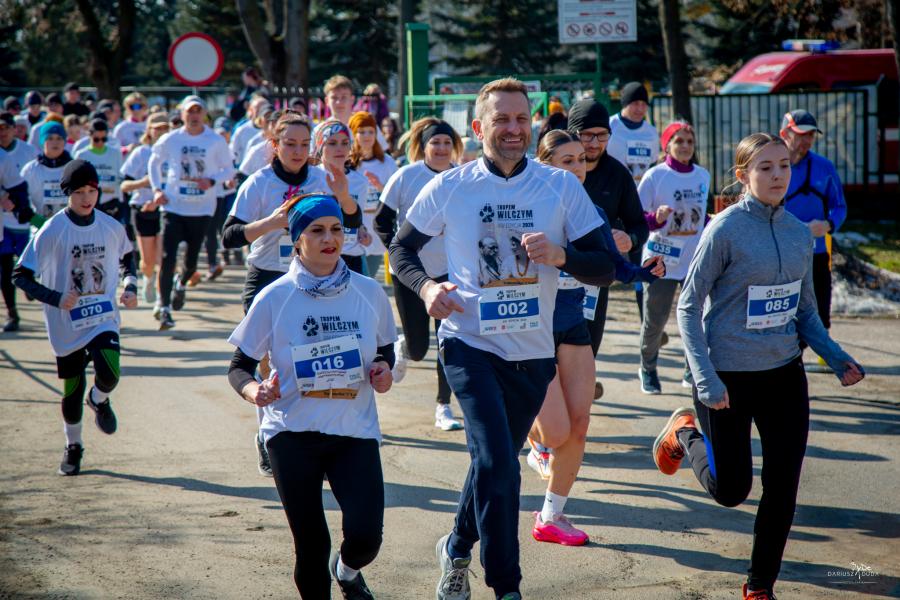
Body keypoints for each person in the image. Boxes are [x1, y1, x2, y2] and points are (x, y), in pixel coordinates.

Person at [390, 78, 618, 600]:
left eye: (521, 119)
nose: (513, 129)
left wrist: (561, 257)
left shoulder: (560, 187)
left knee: (491, 464)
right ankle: (506, 586)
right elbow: (401, 250)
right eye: (501, 120)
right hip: (468, 343)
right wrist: (427, 288)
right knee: (500, 463)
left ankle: (455, 547)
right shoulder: (452, 186)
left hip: (534, 352)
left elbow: (605, 267)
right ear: (478, 127)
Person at [656, 132, 865, 600]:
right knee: (732, 490)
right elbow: (688, 306)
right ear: (742, 175)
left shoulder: (798, 232)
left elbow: (804, 310)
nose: (777, 175)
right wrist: (705, 377)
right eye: (765, 167)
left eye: (783, 166)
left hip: (784, 374)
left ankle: (759, 585)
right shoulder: (724, 230)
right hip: (726, 378)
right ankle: (685, 434)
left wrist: (835, 357)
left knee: (783, 485)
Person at [227, 193, 395, 599]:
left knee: (366, 537)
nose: (329, 239)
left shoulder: (369, 291)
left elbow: (385, 351)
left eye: (336, 229)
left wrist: (382, 370)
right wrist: (255, 391)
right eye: (317, 230)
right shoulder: (275, 296)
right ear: (297, 239)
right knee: (312, 543)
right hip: (292, 432)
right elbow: (239, 367)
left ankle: (348, 571)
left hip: (353, 430)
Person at [524, 130, 665, 547]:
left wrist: (642, 272)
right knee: (555, 432)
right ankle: (529, 435)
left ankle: (551, 516)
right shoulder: (526, 208)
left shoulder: (593, 212)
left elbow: (611, 266)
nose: (577, 169)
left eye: (581, 161)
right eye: (566, 161)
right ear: (545, 164)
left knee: (580, 426)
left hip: (573, 324)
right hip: (531, 327)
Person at [222, 111, 361, 477]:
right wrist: (272, 222)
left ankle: (315, 435)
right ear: (274, 145)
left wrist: (343, 196)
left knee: (311, 357)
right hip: (269, 276)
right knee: (268, 363)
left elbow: (352, 220)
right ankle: (267, 433)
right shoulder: (259, 182)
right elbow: (229, 235)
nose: (298, 151)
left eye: (303, 144)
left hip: (314, 276)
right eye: (289, 144)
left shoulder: (320, 178)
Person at [13, 159, 138, 475]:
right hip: (66, 322)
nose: (87, 198)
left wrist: (130, 285)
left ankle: (100, 399)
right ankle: (74, 445)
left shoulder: (110, 225)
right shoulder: (53, 229)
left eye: (92, 191)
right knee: (72, 389)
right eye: (79, 192)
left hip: (102, 316)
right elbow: (20, 275)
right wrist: (56, 298)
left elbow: (127, 256)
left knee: (110, 371)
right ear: (67, 193)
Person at [373, 117, 465, 431]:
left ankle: (443, 406)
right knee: (418, 348)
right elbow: (382, 220)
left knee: (448, 342)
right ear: (423, 147)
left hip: (450, 273)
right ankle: (404, 347)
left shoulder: (462, 177)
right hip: (410, 274)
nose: (441, 148)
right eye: (435, 142)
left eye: (447, 142)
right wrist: (398, 253)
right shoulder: (405, 176)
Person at [566, 99, 650, 398]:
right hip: (552, 277)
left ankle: (580, 397)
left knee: (587, 349)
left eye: (602, 135)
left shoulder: (617, 173)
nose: (594, 143)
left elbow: (639, 224)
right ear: (572, 132)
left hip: (595, 278)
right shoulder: (552, 171)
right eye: (587, 134)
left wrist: (630, 239)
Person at [147, 95, 234, 330]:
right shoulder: (171, 139)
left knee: (192, 264)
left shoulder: (215, 140)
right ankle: (164, 307)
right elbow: (154, 162)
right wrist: (157, 190)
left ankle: (181, 282)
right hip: (174, 206)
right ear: (182, 114)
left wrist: (212, 180)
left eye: (198, 111)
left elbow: (229, 170)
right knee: (168, 258)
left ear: (204, 114)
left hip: (202, 209)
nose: (194, 116)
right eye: (190, 111)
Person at [637, 121, 710, 395]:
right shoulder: (655, 176)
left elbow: (700, 217)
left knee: (696, 318)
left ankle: (692, 369)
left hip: (693, 259)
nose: (685, 146)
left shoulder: (703, 175)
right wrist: (656, 219)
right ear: (667, 145)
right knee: (655, 320)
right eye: (679, 141)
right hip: (661, 259)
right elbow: (637, 218)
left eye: (689, 141)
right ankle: (647, 368)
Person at [779, 109, 846, 363]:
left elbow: (839, 206)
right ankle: (786, 357)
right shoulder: (773, 166)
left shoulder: (824, 167)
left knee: (818, 311)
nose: (807, 140)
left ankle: (817, 352)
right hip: (780, 252)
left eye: (811, 135)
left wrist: (828, 224)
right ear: (784, 134)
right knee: (784, 310)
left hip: (816, 251)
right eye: (801, 134)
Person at [606, 82, 661, 322]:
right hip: (612, 204)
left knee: (640, 263)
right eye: (635, 103)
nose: (640, 108)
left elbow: (652, 169)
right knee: (608, 264)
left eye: (643, 104)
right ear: (625, 103)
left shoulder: (651, 132)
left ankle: (644, 323)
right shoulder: (610, 126)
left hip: (639, 207)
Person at [121, 112, 170, 305]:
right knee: (148, 262)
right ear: (149, 130)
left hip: (165, 209)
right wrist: (144, 182)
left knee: (163, 259)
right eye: (157, 128)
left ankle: (161, 300)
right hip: (142, 210)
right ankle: (148, 279)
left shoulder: (174, 152)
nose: (161, 131)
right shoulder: (141, 153)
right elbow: (124, 186)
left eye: (165, 127)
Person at [312, 118, 369, 274]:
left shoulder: (360, 181)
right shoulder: (311, 178)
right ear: (320, 146)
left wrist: (364, 231)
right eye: (332, 143)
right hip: (317, 255)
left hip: (351, 255)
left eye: (345, 143)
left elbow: (358, 220)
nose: (340, 148)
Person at [348, 110, 398, 278]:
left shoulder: (387, 162)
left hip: (376, 231)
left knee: (368, 278)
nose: (367, 136)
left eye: (370, 131)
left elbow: (397, 196)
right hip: (352, 231)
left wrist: (380, 187)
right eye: (361, 132)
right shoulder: (347, 163)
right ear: (353, 134)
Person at [0, 149, 32, 332]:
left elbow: (20, 190)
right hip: (4, 227)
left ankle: (29, 284)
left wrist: (15, 203)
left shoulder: (4, 157)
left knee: (23, 266)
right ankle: (12, 313)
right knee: (5, 269)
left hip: (18, 225)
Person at [21, 121, 73, 222]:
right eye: (50, 138)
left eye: (59, 138)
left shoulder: (74, 168)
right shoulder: (31, 169)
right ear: (42, 141)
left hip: (69, 225)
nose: (55, 142)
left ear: (64, 141)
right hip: (40, 226)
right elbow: (20, 198)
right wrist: (34, 220)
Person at [74, 119, 123, 224]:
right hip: (90, 202)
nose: (100, 142)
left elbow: (120, 176)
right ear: (90, 135)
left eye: (104, 139)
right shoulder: (81, 155)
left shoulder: (115, 153)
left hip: (111, 201)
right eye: (96, 139)